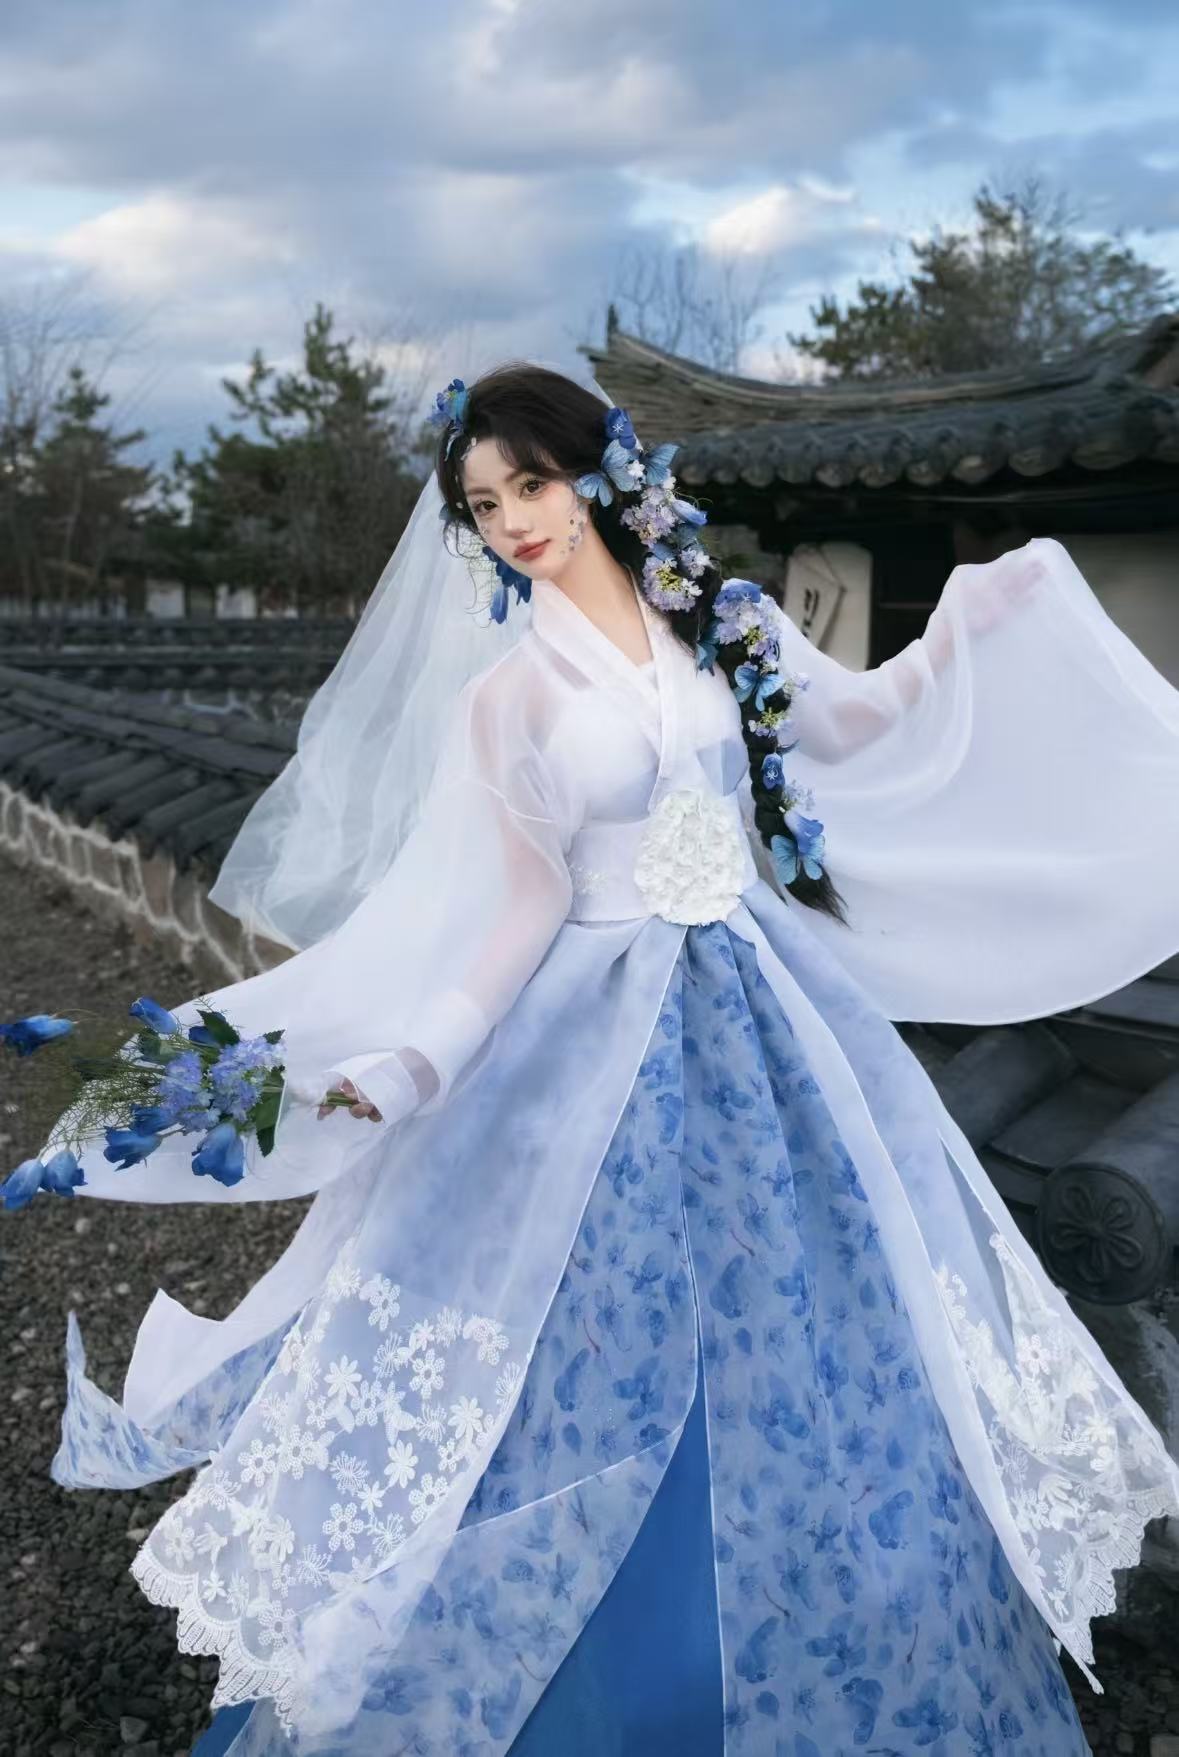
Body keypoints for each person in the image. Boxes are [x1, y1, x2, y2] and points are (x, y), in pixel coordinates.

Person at [33, 361, 1179, 1757]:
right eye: (486, 501)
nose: (516, 517)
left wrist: (964, 629)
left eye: (535, 482)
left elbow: (850, 724)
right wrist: (418, 1063)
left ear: (600, 474)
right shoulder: (508, 703)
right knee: (562, 1337)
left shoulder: (718, 619)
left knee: (819, 1306)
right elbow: (523, 907)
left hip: (760, 1006)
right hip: (590, 1027)